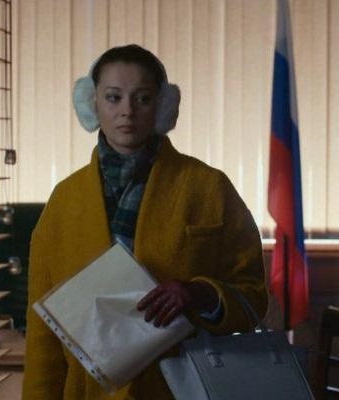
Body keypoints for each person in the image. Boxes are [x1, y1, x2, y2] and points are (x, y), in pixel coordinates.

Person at [22, 44, 267, 400]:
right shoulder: (65, 200)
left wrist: (199, 293)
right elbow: (43, 332)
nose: (127, 111)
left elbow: (254, 298)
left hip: (181, 389)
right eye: (113, 97)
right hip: (89, 391)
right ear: (92, 104)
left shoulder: (208, 188)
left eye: (143, 99)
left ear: (163, 105)